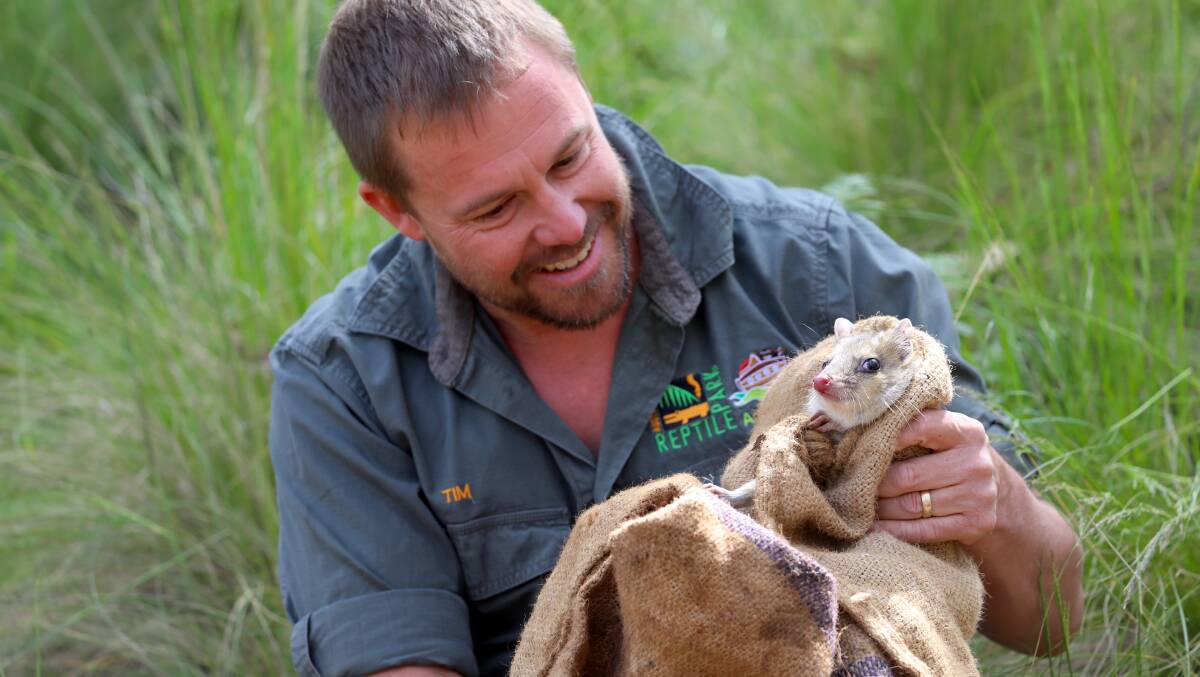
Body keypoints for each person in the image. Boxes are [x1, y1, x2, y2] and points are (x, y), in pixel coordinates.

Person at [268, 1, 1084, 675]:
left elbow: (1052, 619)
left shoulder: (818, 268)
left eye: (569, 156)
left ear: (582, 91)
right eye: (496, 209)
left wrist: (996, 504)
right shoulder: (344, 383)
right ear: (397, 212)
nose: (564, 224)